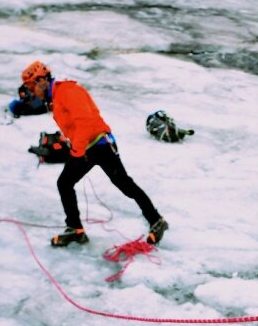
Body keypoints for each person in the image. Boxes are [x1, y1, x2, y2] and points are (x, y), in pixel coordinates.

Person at [21, 61, 168, 247]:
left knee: (123, 183)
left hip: (100, 144)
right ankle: (75, 229)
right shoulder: (56, 96)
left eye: (31, 86)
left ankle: (157, 221)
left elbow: (85, 121)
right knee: (65, 183)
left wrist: (76, 150)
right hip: (86, 148)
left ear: (41, 80)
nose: (31, 91)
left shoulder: (67, 91)